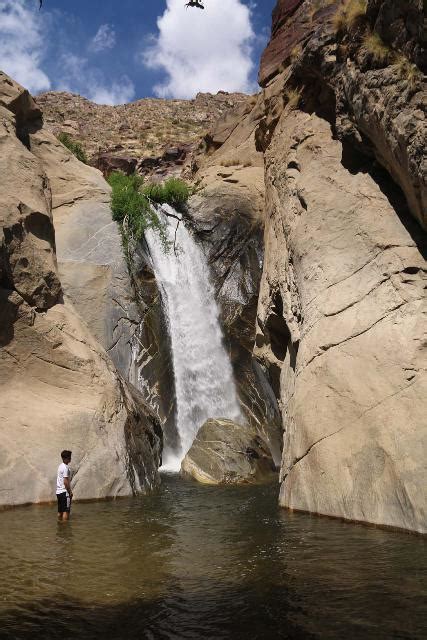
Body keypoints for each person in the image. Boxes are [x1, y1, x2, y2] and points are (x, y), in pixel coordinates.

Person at [56, 450, 73, 522]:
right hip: (64, 492)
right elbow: (65, 482)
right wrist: (70, 492)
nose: (70, 458)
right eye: (70, 457)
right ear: (67, 458)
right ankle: (65, 529)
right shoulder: (66, 468)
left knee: (60, 511)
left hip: (58, 492)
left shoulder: (60, 466)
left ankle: (59, 525)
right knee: (66, 511)